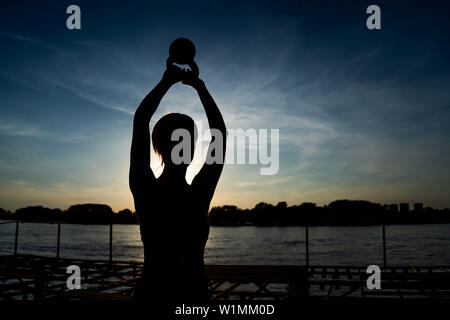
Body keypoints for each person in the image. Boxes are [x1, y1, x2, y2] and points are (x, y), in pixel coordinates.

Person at [129, 61, 226, 303]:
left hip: (193, 299)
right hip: (155, 298)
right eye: (176, 140)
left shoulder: (194, 191)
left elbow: (219, 135)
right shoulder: (149, 187)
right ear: (159, 146)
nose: (183, 146)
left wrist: (196, 86)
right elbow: (141, 120)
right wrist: (177, 84)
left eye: (187, 140)